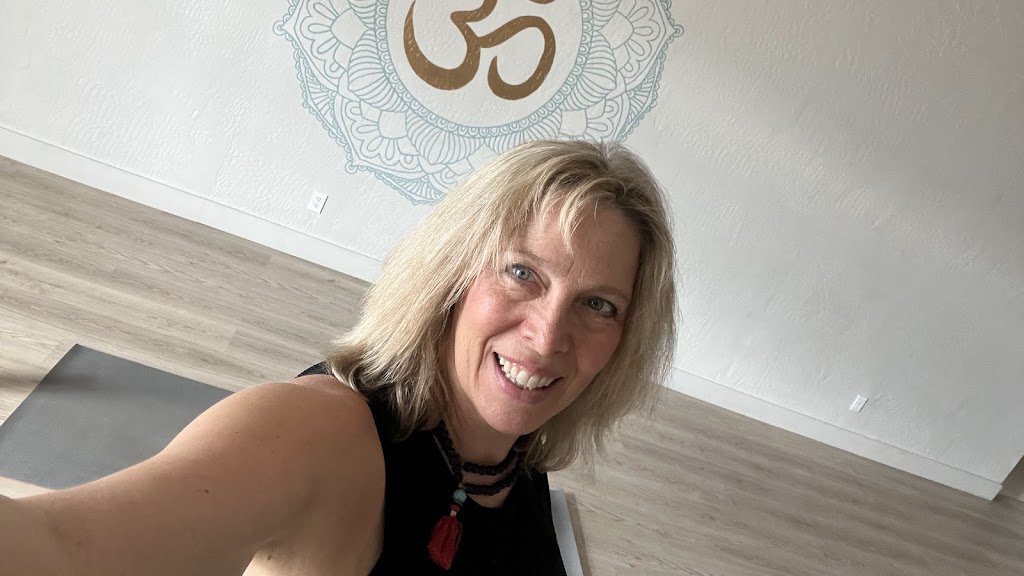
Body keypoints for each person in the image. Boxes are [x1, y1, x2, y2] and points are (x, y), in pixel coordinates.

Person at [0, 139, 677, 575]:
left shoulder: (517, 463)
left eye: (598, 305)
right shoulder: (318, 434)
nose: (550, 336)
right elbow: (62, 548)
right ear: (453, 273)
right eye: (521, 272)